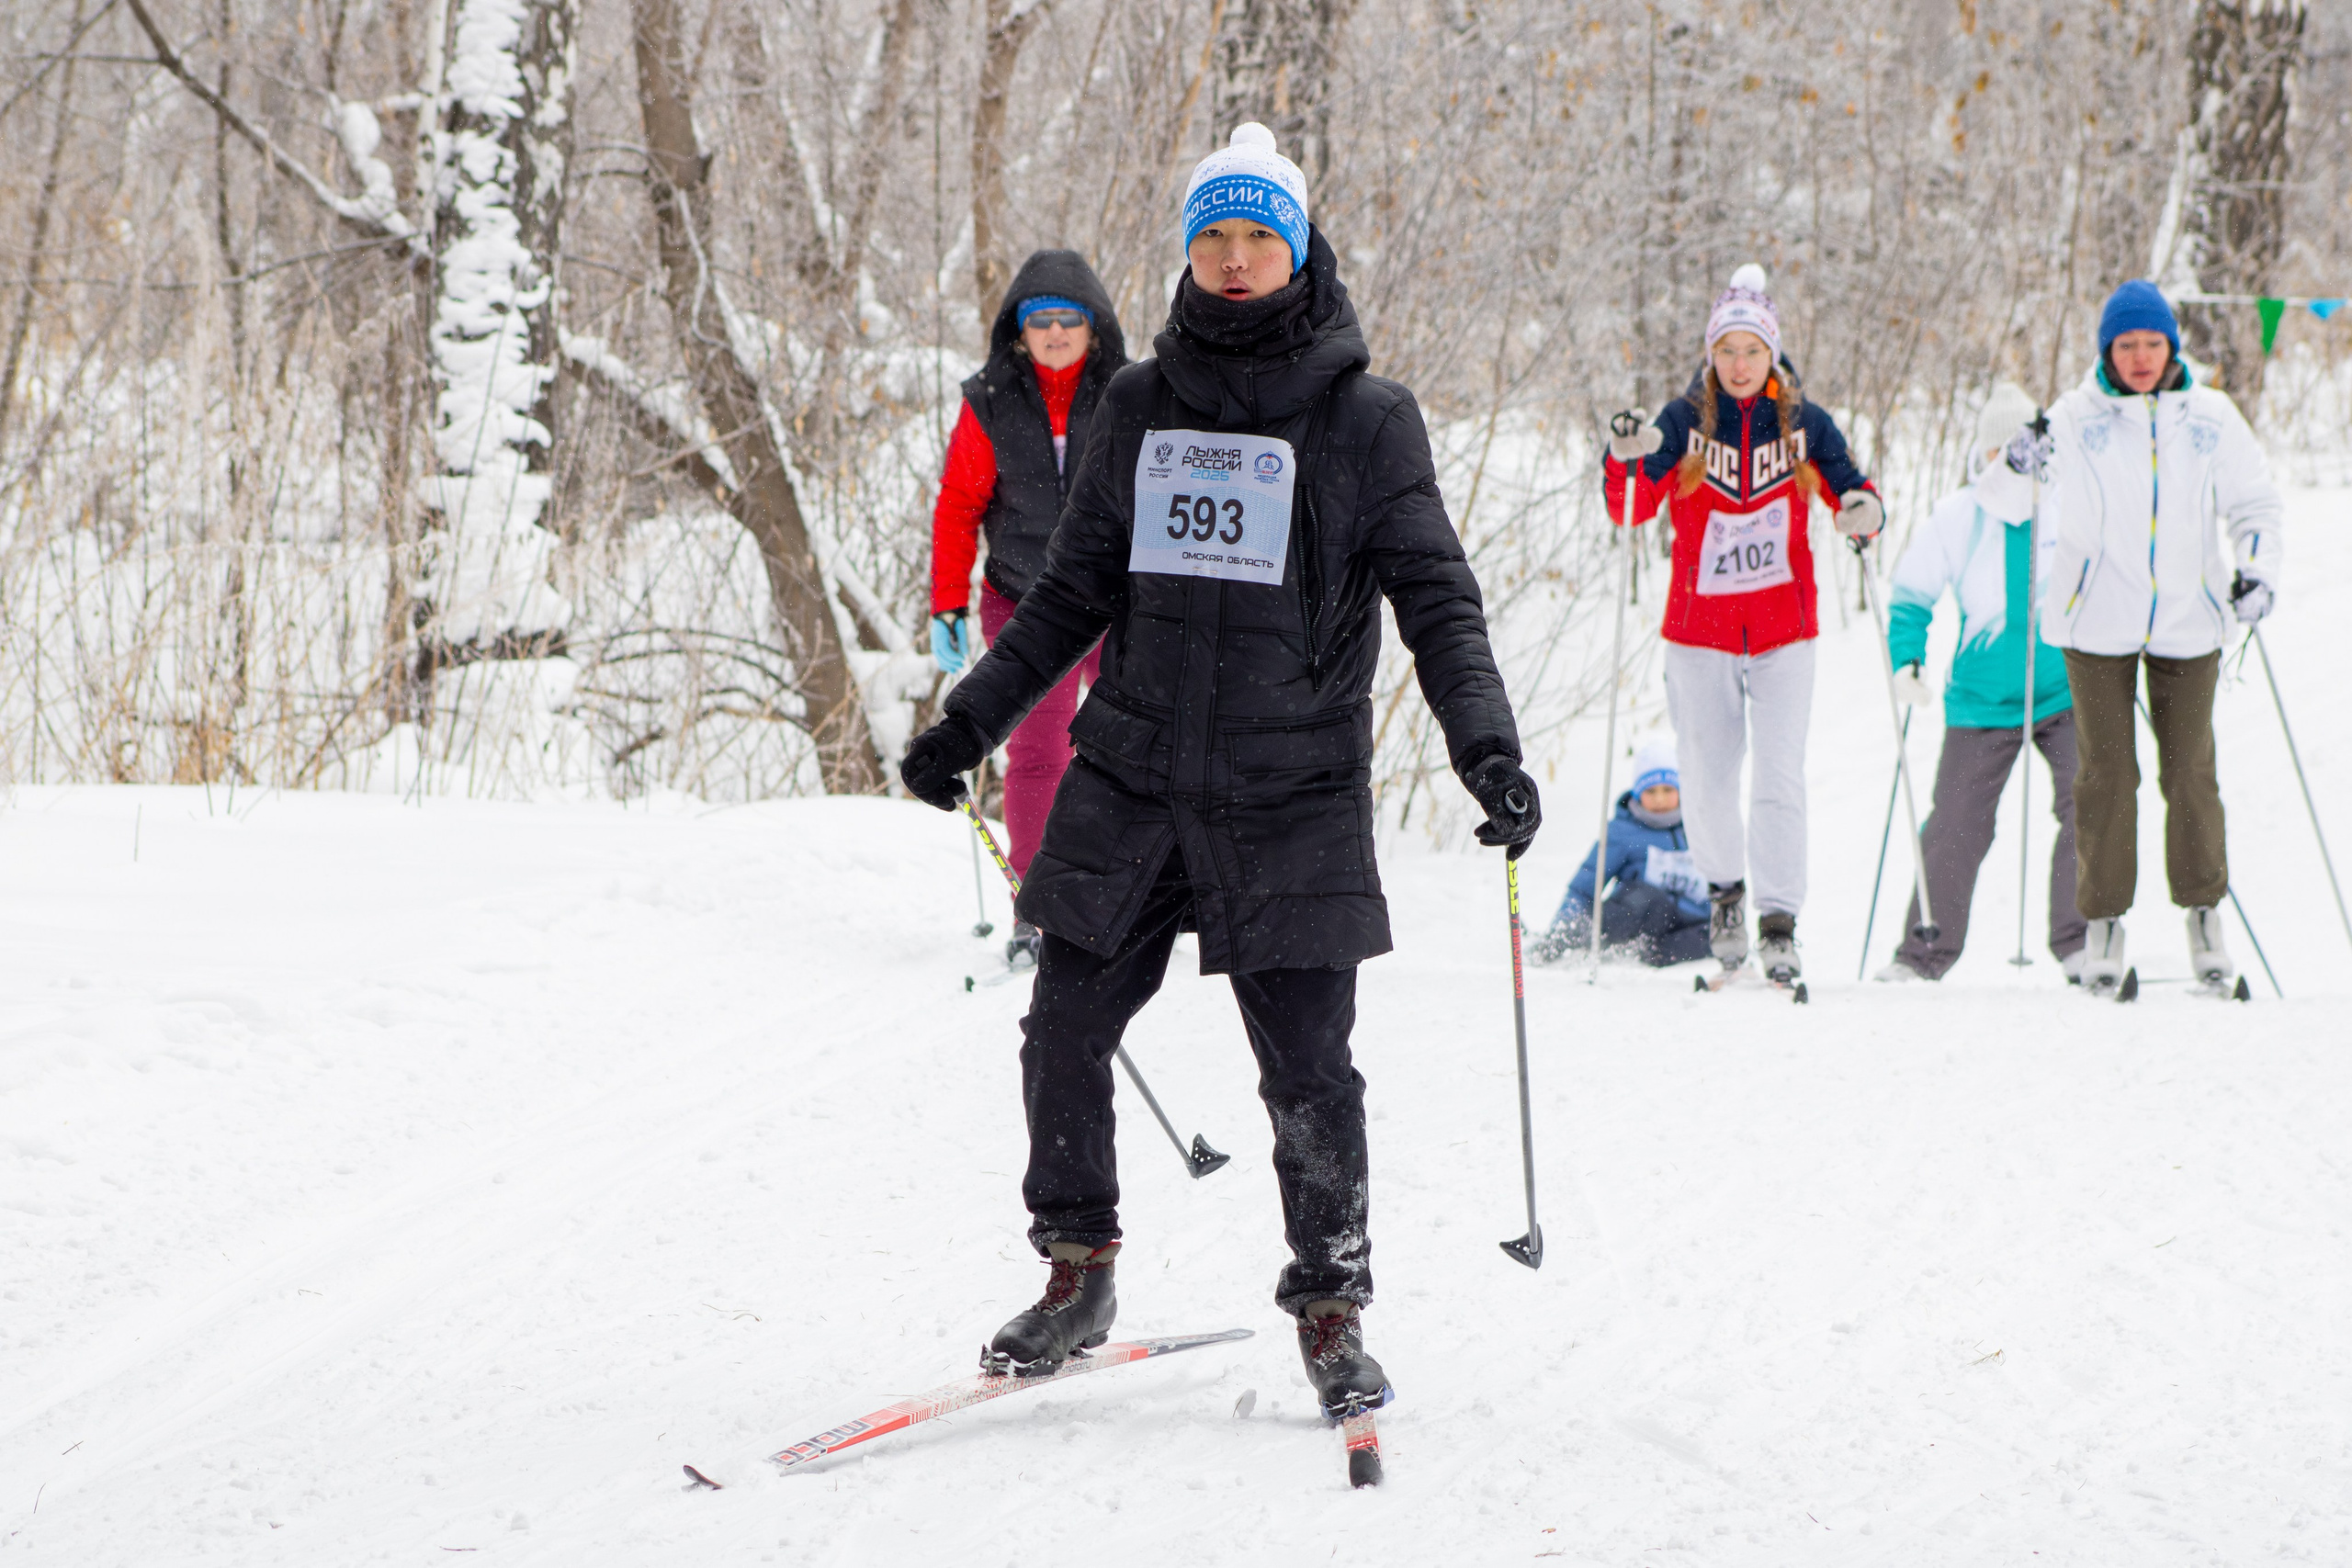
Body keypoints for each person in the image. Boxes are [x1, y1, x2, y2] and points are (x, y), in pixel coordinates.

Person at [898, 123, 1537, 1420]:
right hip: (1131, 774)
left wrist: (1488, 748)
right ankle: (1079, 1269)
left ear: (1297, 252)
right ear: (1185, 250)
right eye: (1213, 237)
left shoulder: (1369, 420)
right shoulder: (1138, 404)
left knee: (1309, 1071)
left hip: (1291, 789)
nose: (1236, 260)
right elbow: (1070, 591)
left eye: (1260, 238)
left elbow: (1438, 601)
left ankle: (1332, 1304)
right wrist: (970, 721)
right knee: (1063, 1027)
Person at [1601, 265, 1883, 985]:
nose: (1738, 365)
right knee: (1708, 777)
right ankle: (1726, 894)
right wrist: (1623, 459)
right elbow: (1630, 508)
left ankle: (1779, 918)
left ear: (1772, 354)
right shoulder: (1682, 420)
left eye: (1751, 350)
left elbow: (1853, 488)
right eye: (1726, 350)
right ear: (1711, 354)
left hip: (1785, 632)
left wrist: (1863, 511)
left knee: (1780, 777)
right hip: (1700, 635)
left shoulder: (1806, 423)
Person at [2041, 280, 2283, 993]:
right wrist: (2010, 464)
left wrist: (2259, 569)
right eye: (2127, 345)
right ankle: (2104, 922)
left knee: (2190, 771)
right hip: (2095, 622)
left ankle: (2205, 912)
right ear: (2106, 351)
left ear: (2172, 347)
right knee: (2107, 776)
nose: (2141, 358)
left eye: (2153, 344)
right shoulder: (2075, 417)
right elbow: (2003, 489)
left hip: (2189, 618)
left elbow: (2254, 502)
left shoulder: (2209, 416)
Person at [929, 252, 1128, 966]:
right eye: (1037, 320)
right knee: (1039, 755)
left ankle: (1122, 893)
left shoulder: (1129, 393)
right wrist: (946, 604)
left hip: (1116, 602)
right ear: (1016, 330)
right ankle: (1037, 911)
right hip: (1023, 601)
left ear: (1094, 327)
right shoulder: (990, 398)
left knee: (1122, 750)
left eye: (1066, 319)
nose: (1052, 332)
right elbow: (959, 506)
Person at [1874, 383, 2085, 982]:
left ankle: (2081, 940)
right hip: (1982, 700)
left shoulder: (2067, 503)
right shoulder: (1958, 514)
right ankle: (1922, 955)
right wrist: (1907, 657)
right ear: (1985, 456)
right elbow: (1911, 594)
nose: (2009, 466)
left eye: (2020, 451)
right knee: (1955, 822)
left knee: (2091, 800)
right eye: (1998, 453)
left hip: (2064, 691)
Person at [1533, 736, 1710, 966]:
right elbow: (1585, 886)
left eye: (1668, 789)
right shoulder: (1622, 833)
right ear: (1638, 793)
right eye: (1651, 791)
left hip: (1685, 921)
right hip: (1635, 917)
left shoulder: (1698, 827)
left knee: (1717, 936)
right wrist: (1561, 930)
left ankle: (1652, 954)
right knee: (1647, 898)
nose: (1659, 798)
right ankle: (1586, 943)